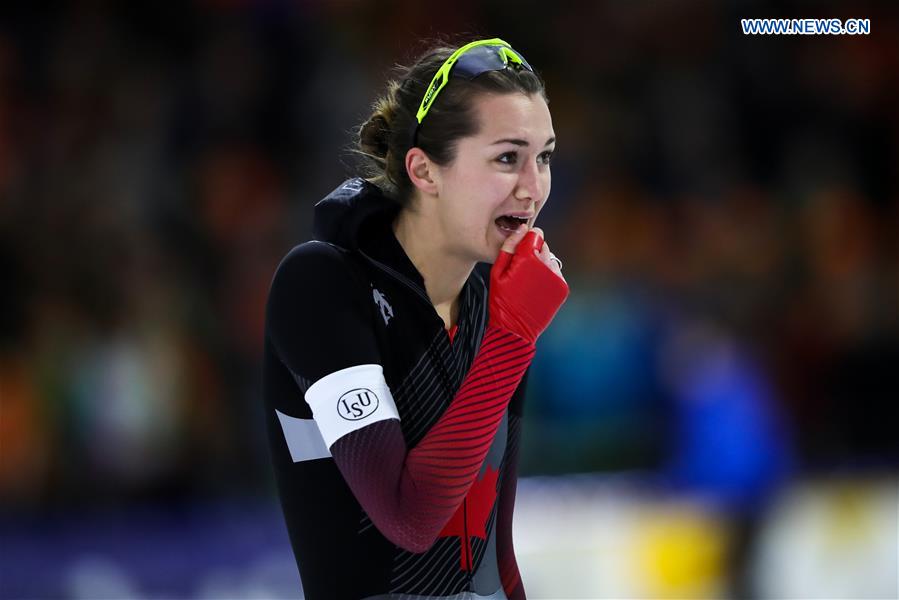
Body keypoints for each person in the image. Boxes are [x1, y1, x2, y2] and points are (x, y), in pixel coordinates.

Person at [262, 38, 568, 600]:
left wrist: (510, 332)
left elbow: (493, 559)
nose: (534, 188)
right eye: (507, 158)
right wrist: (514, 336)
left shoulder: (492, 306)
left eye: (544, 156)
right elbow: (408, 521)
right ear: (424, 171)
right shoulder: (321, 285)